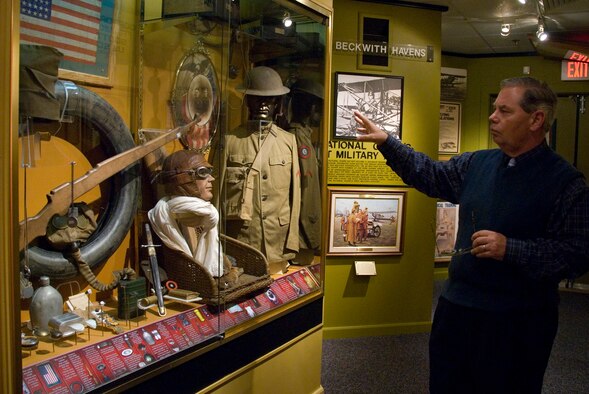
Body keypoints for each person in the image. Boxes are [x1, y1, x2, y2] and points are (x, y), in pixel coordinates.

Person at [354, 76, 589, 393]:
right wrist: (387, 142)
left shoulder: (566, 182)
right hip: (457, 310)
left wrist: (511, 249)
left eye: (505, 111)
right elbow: (432, 175)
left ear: (537, 119)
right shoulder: (478, 162)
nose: (493, 117)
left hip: (517, 323)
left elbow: (575, 256)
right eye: (494, 109)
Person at [218, 66, 301, 274]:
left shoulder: (288, 141)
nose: (264, 103)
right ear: (247, 100)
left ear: (278, 103)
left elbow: (296, 197)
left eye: (271, 99)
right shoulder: (230, 141)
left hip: (277, 242)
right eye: (256, 98)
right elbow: (216, 198)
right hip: (241, 243)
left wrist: (292, 242)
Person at [148, 150, 242, 289]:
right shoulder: (167, 213)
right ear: (183, 179)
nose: (211, 179)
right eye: (203, 173)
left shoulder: (205, 212)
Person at [288, 79, 324, 263]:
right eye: (320, 109)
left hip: (300, 236)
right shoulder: (298, 138)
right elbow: (305, 193)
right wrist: (312, 237)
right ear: (312, 108)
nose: (322, 115)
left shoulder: (301, 137)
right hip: (301, 240)